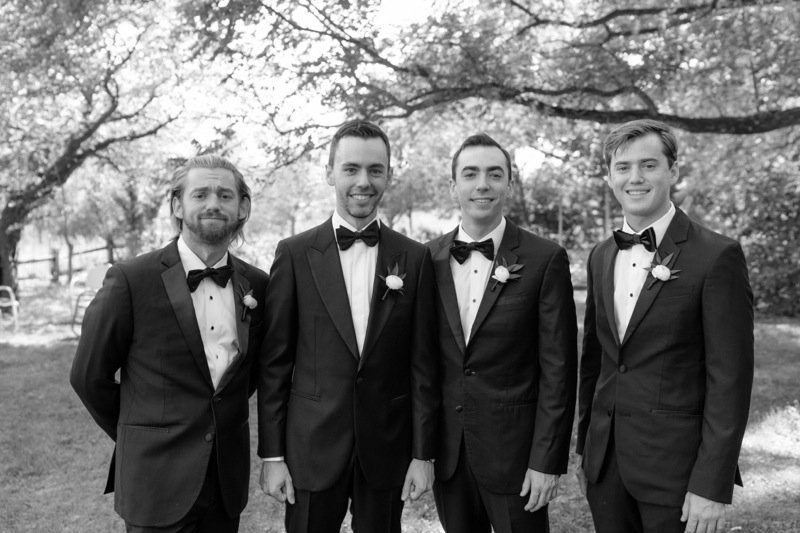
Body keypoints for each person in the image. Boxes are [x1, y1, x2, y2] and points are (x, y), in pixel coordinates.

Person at [257, 119, 439, 533]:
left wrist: (423, 454)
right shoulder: (295, 253)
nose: (364, 181)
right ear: (329, 173)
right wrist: (272, 456)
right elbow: (275, 365)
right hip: (311, 450)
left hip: (387, 449)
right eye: (351, 168)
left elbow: (423, 364)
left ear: (389, 176)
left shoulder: (414, 258)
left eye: (376, 170)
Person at [71, 155, 269, 532]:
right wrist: (139, 434)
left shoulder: (257, 285)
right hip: (154, 480)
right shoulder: (130, 280)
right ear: (178, 205)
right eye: (201, 194)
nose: (213, 203)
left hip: (224, 481)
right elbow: (87, 376)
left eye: (225, 195)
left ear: (242, 207)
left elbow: (249, 376)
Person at [576, 119, 754, 533]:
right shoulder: (601, 255)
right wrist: (587, 450)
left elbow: (730, 380)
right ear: (609, 177)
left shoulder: (717, 256)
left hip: (678, 473)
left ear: (673, 172)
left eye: (648, 165)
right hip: (606, 468)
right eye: (622, 167)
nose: (634, 178)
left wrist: (712, 484)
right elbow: (596, 363)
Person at [426, 133, 577, 533]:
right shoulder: (426, 259)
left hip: (517, 457)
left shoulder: (545, 259)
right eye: (471, 173)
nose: (482, 184)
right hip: (449, 456)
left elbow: (559, 371)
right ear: (453, 183)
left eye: (495, 174)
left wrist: (545, 461)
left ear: (509, 183)